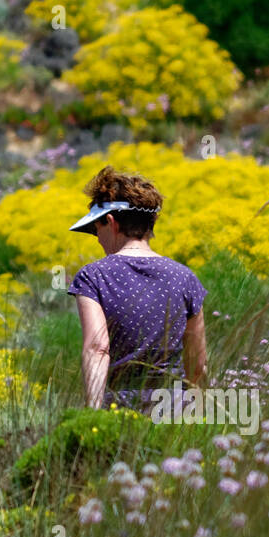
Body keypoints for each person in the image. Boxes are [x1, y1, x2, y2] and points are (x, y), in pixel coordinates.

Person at [66, 166, 208, 410]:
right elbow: (197, 364)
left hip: (119, 410)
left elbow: (97, 349)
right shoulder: (186, 278)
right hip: (174, 410)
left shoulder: (92, 277)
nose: (97, 238)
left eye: (94, 229)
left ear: (111, 222)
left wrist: (92, 414)